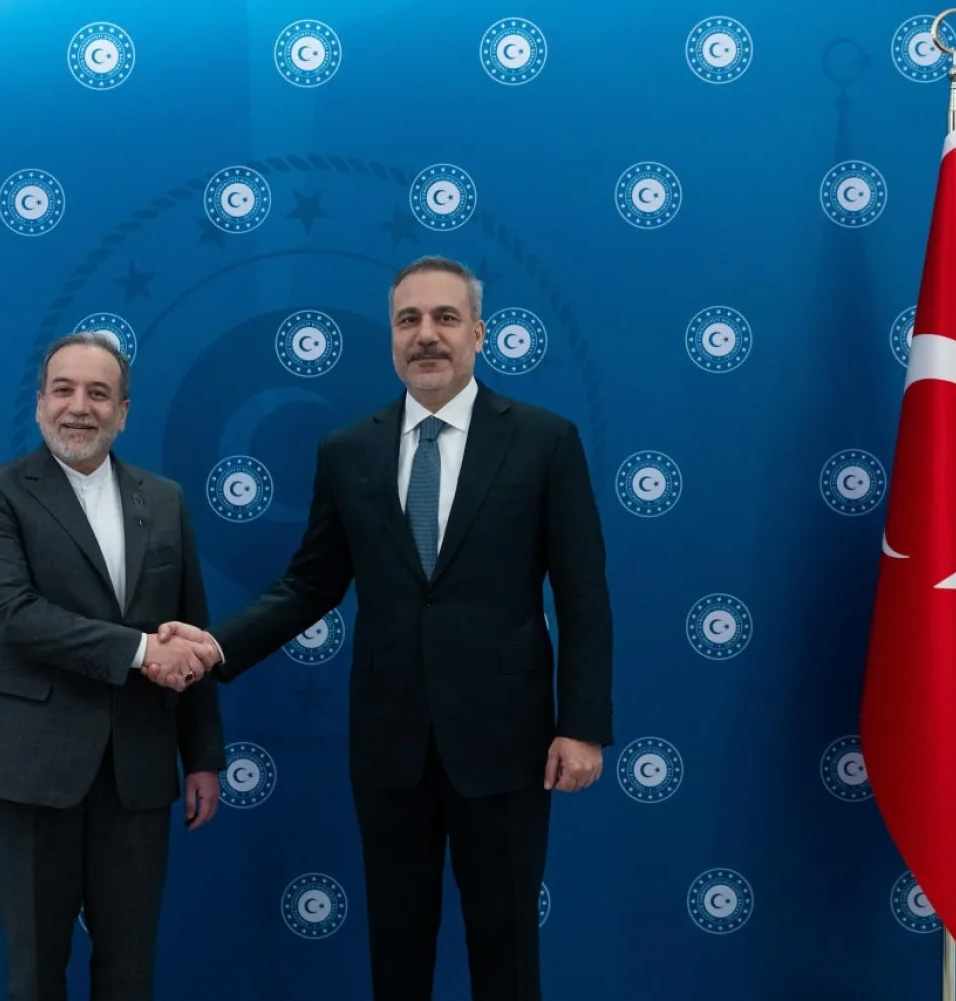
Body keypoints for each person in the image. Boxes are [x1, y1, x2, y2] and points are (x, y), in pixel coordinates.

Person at [156, 255, 614, 1001]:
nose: (425, 335)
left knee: (506, 949)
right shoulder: (348, 450)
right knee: (397, 947)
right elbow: (311, 582)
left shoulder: (543, 441)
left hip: (507, 745)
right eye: (409, 320)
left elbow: (584, 593)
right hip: (390, 745)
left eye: (444, 318)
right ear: (393, 337)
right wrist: (215, 644)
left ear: (479, 334)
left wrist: (584, 724)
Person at [0, 331, 224, 1001]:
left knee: (130, 967)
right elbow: (13, 615)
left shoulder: (164, 500)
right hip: (33, 767)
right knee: (35, 967)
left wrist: (201, 755)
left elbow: (189, 630)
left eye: (98, 393)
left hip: (138, 766)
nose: (80, 406)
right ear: (41, 401)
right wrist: (138, 651)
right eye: (65, 390)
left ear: (124, 411)